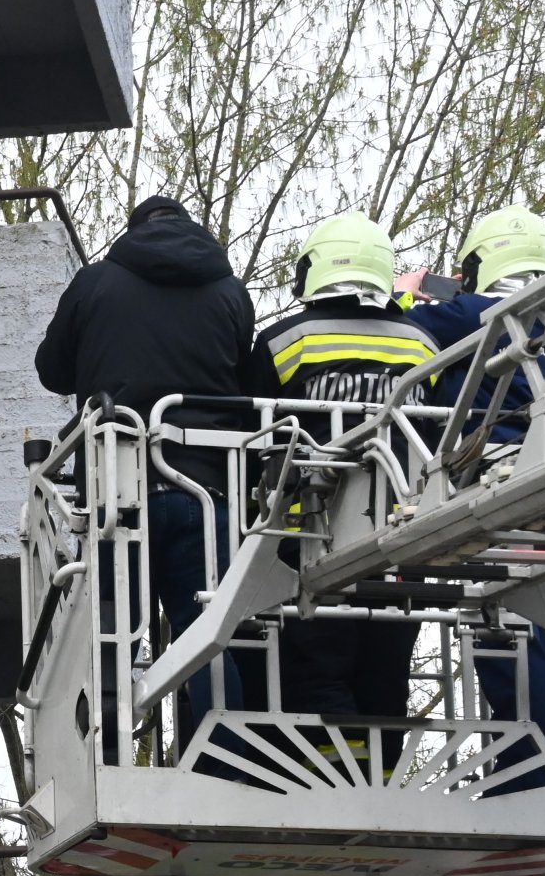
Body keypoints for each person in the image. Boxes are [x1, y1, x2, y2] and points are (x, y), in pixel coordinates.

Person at [34, 195, 258, 748]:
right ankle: (226, 764)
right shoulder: (231, 293)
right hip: (207, 491)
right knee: (206, 636)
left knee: (111, 637)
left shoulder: (97, 282)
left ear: (132, 231)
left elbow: (51, 370)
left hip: (120, 491)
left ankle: (108, 759)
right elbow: (243, 376)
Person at [245, 212, 440, 773]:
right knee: (386, 664)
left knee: (314, 663)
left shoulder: (286, 342)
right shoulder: (420, 344)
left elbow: (252, 439)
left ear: (315, 270)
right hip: (401, 532)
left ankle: (333, 777)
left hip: (310, 531)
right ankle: (378, 774)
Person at [399, 206, 545, 790]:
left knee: (502, 629)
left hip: (494, 481)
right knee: (539, 632)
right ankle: (537, 759)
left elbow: (401, 334)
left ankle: (527, 772)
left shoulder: (469, 312)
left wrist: (407, 292)